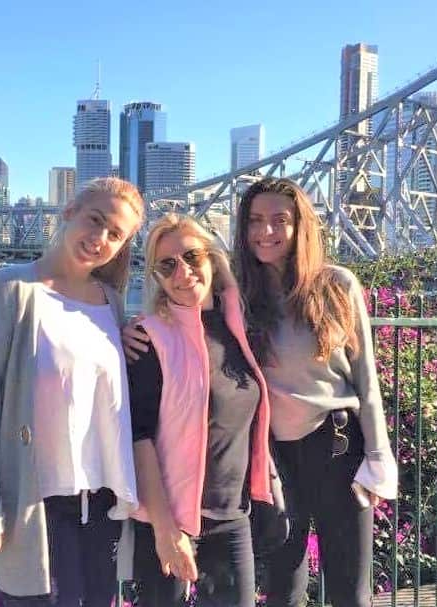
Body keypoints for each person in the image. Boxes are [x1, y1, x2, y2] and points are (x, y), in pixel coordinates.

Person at [0, 177, 144, 606]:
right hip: (39, 505)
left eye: (115, 234)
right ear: (68, 212)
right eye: (94, 221)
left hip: (103, 505)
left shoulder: (111, 303)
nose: (99, 239)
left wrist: (132, 335)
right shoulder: (12, 290)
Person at [233, 177, 398, 607]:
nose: (265, 232)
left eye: (278, 220)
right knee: (283, 590)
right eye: (254, 221)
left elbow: (366, 378)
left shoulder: (337, 285)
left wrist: (379, 457)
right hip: (271, 457)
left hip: (337, 448)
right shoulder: (237, 294)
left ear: (300, 226)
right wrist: (139, 331)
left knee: (349, 590)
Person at [126, 213, 273, 607]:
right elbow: (138, 437)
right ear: (156, 276)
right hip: (167, 522)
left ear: (212, 258)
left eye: (192, 257)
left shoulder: (242, 326)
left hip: (232, 516)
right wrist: (165, 530)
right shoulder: (147, 337)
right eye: (167, 264)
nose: (183, 271)